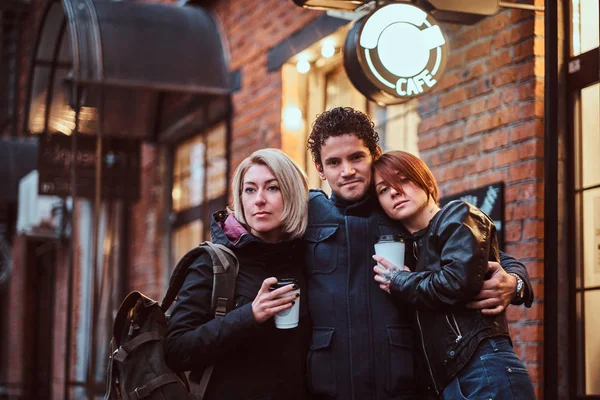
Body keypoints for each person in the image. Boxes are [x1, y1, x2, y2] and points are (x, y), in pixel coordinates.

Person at [304, 107, 533, 399]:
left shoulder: (400, 207)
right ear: (320, 169)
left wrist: (515, 281)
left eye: (356, 157)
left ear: (374, 154)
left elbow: (482, 250)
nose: (347, 171)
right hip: (334, 384)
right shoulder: (308, 217)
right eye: (334, 162)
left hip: (406, 383)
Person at [372, 150, 535, 399]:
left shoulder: (456, 216)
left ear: (425, 181)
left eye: (403, 179)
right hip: (447, 382)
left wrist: (399, 280)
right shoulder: (408, 246)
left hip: (481, 370)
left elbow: (456, 281)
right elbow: (507, 261)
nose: (394, 191)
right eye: (383, 189)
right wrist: (516, 281)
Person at [165, 148, 311, 400]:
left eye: (272, 188)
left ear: (293, 194)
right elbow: (176, 349)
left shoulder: (306, 258)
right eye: (250, 189)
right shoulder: (214, 262)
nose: (259, 200)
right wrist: (250, 315)